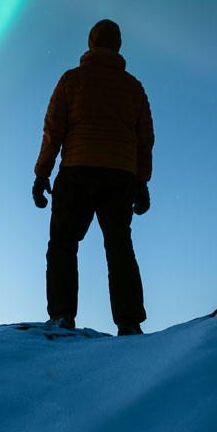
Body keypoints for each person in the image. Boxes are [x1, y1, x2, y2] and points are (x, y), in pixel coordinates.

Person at [32, 19, 154, 336]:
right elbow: (145, 140)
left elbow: (52, 131)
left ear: (91, 43)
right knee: (119, 247)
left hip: (77, 171)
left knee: (62, 244)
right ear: (118, 46)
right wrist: (142, 183)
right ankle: (129, 322)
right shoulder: (134, 87)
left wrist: (41, 174)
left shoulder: (72, 80)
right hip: (120, 177)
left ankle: (61, 316)